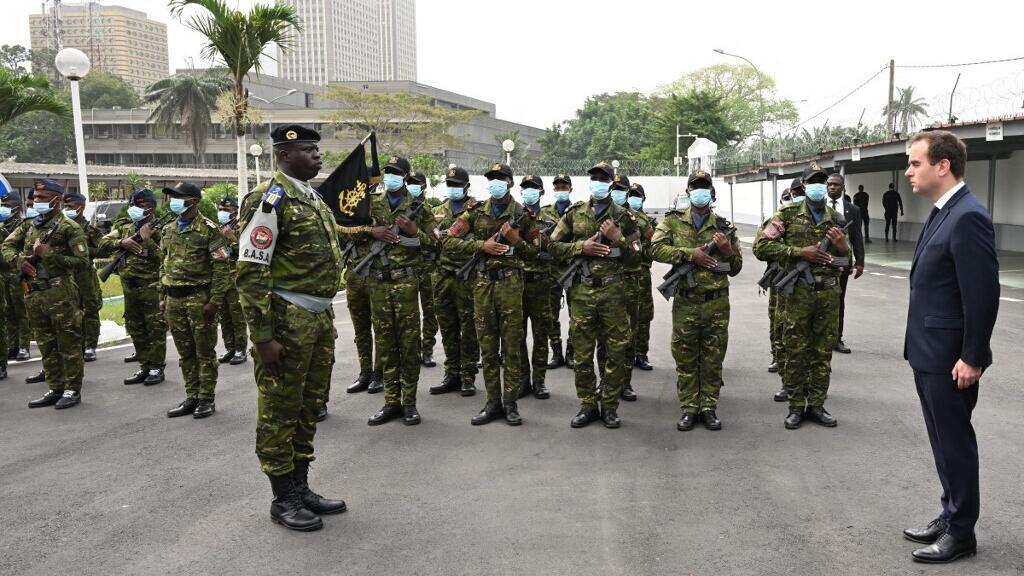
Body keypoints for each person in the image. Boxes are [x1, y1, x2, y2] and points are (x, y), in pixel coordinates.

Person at [236, 124, 347, 532]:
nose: (318, 155)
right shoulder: (269, 201)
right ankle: (282, 498)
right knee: (280, 409)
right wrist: (263, 338)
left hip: (316, 318)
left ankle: (301, 488)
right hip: (286, 319)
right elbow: (251, 272)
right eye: (308, 149)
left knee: (308, 405)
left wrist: (325, 318)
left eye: (317, 149)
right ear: (283, 155)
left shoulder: (310, 197)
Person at [902, 130, 999, 564]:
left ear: (943, 166)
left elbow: (982, 294)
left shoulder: (967, 216)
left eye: (915, 163)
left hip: (951, 360)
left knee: (955, 443)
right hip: (929, 353)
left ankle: (962, 533)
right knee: (942, 442)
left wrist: (973, 356)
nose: (908, 171)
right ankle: (950, 512)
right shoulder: (945, 211)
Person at [753, 164, 849, 430]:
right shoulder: (786, 214)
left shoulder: (837, 219)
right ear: (804, 186)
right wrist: (798, 252)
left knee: (821, 352)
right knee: (796, 350)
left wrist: (843, 248)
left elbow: (845, 261)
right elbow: (760, 246)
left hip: (828, 294)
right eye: (813, 182)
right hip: (797, 294)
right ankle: (796, 406)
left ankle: (817, 405)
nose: (819, 186)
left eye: (823, 181)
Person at [443, 163, 539, 426]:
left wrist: (516, 240)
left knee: (511, 346)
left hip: (510, 286)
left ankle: (510, 403)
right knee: (487, 345)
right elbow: (448, 240)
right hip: (483, 285)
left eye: (500, 178)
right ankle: (492, 402)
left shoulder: (522, 213)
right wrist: (481, 245)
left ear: (509, 182)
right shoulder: (476, 212)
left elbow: (540, 250)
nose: (495, 182)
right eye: (491, 178)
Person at [547, 161, 641, 429]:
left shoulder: (625, 217)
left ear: (611, 183)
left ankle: (609, 406)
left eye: (603, 178)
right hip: (582, 293)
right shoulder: (575, 213)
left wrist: (618, 238)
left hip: (613, 292)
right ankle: (587, 404)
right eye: (594, 177)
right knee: (583, 352)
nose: (597, 181)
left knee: (614, 352)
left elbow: (637, 260)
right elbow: (552, 244)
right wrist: (581, 247)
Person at [650, 171, 742, 430]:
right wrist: (691, 255)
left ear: (712, 193)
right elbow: (655, 249)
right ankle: (690, 407)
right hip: (687, 300)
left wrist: (727, 251)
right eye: (695, 187)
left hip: (716, 303)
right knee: (686, 355)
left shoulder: (725, 227)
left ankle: (709, 406)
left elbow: (735, 268)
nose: (700, 192)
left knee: (713, 356)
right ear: (689, 191)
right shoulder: (672, 222)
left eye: (705, 188)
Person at [359, 156, 438, 426]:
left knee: (408, 344)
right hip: (378, 282)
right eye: (387, 172)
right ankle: (391, 401)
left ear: (405, 176)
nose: (391, 176)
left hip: (405, 283)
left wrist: (414, 233)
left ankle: (409, 403)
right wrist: (373, 232)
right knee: (386, 343)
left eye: (396, 173)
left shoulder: (420, 209)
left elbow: (436, 246)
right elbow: (350, 232)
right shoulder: (372, 204)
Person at [2, 179, 89, 409]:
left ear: (56, 200)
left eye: (41, 198)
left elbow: (81, 262)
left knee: (68, 343)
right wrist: (19, 261)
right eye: (35, 198)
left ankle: (72, 389)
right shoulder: (29, 225)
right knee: (46, 344)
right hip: (33, 293)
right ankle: (55, 386)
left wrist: (48, 254)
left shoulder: (69, 228)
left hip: (60, 292)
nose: (36, 202)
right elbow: (6, 247)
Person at [160, 181, 230, 420]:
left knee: (204, 352)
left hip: (198, 298)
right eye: (171, 197)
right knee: (185, 352)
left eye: (178, 197)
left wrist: (215, 301)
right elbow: (164, 264)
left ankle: (206, 398)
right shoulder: (169, 229)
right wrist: (163, 296)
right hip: (174, 300)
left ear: (193, 201)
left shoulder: (209, 230)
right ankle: (192, 395)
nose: (173, 201)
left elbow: (221, 269)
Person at [94, 189, 168, 386]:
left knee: (154, 328)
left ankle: (156, 368)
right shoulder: (126, 228)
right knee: (135, 327)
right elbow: (102, 243)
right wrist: (123, 242)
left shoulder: (162, 230)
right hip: (129, 286)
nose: (136, 209)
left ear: (151, 208)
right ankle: (144, 365)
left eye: (141, 206)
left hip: (151, 285)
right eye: (134, 205)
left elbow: (166, 258)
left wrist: (148, 240)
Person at [428, 166, 479, 397]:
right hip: (442, 277)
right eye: (450, 185)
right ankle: (452, 373)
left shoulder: (477, 211)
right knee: (447, 327)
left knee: (468, 328)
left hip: (467, 276)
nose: (453, 188)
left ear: (467, 186)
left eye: (457, 185)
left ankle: (468, 376)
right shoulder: (437, 211)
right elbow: (431, 242)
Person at [764, 180, 804, 403]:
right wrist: (793, 252)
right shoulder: (778, 219)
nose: (795, 197)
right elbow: (764, 246)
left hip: (805, 287)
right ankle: (781, 367)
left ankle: (808, 385)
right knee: (779, 325)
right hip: (780, 278)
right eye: (792, 194)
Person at [516, 173, 552, 400]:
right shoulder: (514, 215)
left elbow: (551, 247)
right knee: (517, 335)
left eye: (533, 188)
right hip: (517, 283)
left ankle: (539, 381)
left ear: (541, 192)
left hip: (541, 284)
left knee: (541, 335)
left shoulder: (550, 218)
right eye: (525, 187)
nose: (529, 191)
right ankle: (522, 380)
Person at [62, 191, 104, 362]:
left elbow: (103, 249)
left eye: (70, 207)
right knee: (71, 311)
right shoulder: (61, 228)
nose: (67, 209)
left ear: (81, 207)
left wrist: (85, 252)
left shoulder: (90, 230)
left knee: (90, 310)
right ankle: (76, 344)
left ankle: (90, 345)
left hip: (85, 275)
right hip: (67, 275)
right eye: (65, 206)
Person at [825, 174, 865, 355]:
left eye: (836, 185)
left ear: (842, 187)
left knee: (839, 299)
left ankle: (836, 338)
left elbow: (857, 237)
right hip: (821, 259)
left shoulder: (853, 210)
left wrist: (860, 262)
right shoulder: (818, 206)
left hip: (842, 262)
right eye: (829, 184)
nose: (832, 187)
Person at [406, 171, 438, 368]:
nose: (411, 186)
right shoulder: (401, 206)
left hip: (426, 267)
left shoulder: (425, 210)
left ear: (424, 186)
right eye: (409, 182)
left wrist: (414, 234)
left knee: (429, 311)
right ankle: (413, 349)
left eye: (416, 183)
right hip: (407, 268)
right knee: (409, 314)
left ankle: (427, 350)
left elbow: (434, 241)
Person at [542, 174, 573, 369]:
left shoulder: (578, 211)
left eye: (564, 186)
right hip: (551, 269)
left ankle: (572, 352)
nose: (561, 189)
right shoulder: (545, 213)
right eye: (558, 187)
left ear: (571, 188)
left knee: (576, 314)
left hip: (572, 269)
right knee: (550, 314)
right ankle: (556, 352)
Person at [216, 196, 248, 365]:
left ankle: (240, 349)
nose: (223, 213)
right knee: (224, 316)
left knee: (237, 317)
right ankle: (230, 348)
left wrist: (232, 238)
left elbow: (245, 252)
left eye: (226, 210)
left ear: (236, 211)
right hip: (221, 278)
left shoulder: (243, 227)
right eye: (221, 210)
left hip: (236, 277)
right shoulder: (218, 228)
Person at [627, 183, 655, 372]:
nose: (633, 198)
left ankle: (641, 353)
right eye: (631, 195)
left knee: (644, 315)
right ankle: (625, 355)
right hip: (624, 272)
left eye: (637, 195)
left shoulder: (649, 222)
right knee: (625, 317)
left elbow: (655, 247)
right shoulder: (620, 216)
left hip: (642, 271)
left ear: (643, 199)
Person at [3, 191, 31, 362]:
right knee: (8, 311)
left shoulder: (22, 225)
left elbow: (19, 246)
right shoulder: (3, 222)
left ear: (17, 206)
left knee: (21, 310)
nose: (4, 209)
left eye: (7, 206)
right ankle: (12, 345)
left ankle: (24, 346)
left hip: (16, 271)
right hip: (3, 272)